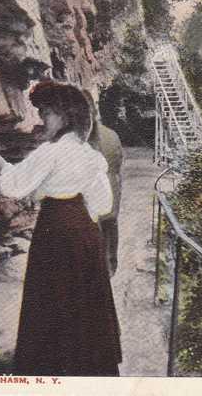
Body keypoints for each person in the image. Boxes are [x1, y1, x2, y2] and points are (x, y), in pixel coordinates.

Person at [0, 80, 122, 377]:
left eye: (47, 114)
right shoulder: (90, 156)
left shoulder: (50, 152)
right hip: (84, 231)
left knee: (51, 296)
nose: (42, 121)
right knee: (82, 298)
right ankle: (86, 364)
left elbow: (13, 186)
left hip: (56, 230)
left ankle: (51, 365)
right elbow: (103, 204)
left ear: (64, 116)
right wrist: (0, 160)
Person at [85, 92, 123, 277]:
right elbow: (118, 165)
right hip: (113, 189)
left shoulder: (83, 139)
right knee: (110, 225)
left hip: (95, 194)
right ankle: (110, 266)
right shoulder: (112, 135)